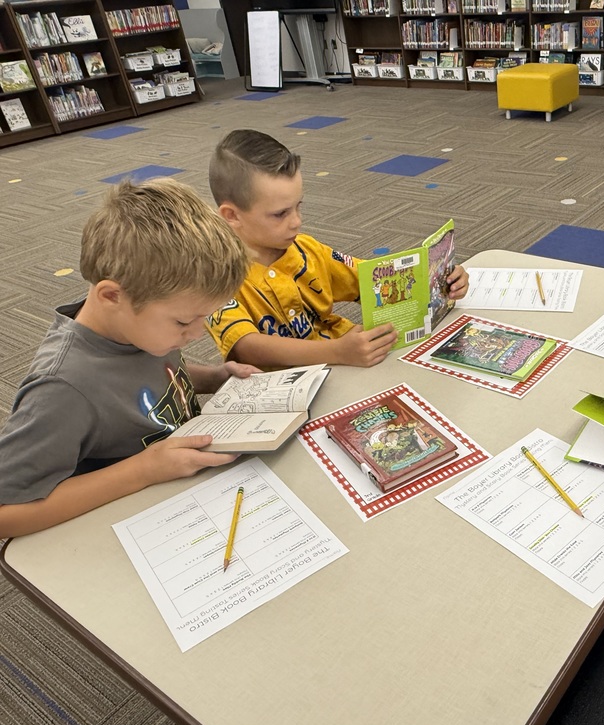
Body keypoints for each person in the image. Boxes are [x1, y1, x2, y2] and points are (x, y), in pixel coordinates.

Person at [0, 178, 256, 539]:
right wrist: (143, 470)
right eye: (184, 322)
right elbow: (5, 513)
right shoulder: (62, 389)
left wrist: (214, 377)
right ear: (111, 296)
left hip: (187, 489)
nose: (198, 333)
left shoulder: (137, 327)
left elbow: (141, 380)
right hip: (133, 525)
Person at [206, 129, 469, 369]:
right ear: (232, 215)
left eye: (298, 206)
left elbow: (372, 280)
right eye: (280, 214)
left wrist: (439, 278)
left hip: (346, 361)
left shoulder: (306, 249)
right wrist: (338, 352)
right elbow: (247, 347)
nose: (296, 221)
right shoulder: (215, 276)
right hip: (289, 385)